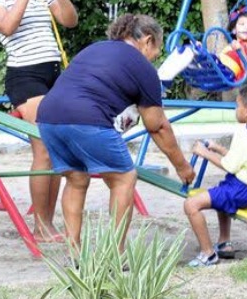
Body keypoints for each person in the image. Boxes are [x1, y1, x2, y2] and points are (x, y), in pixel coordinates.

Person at [37, 14, 196, 247]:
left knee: (76, 179)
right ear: (148, 40)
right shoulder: (143, 67)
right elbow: (158, 126)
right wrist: (182, 166)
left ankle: (74, 251)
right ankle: (115, 253)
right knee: (124, 178)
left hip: (48, 117)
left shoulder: (94, 49)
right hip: (86, 117)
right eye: (157, 50)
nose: (155, 56)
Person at [0, 0, 78, 242]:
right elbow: (7, 26)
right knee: (44, 149)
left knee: (58, 150)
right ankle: (40, 224)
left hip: (54, 74)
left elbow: (69, 21)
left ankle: (47, 221)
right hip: (25, 76)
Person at [184, 84, 247, 267]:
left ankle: (208, 254)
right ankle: (224, 242)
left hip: (241, 189)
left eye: (237, 105)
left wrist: (204, 152)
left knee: (191, 205)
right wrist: (217, 148)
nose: (235, 109)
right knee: (221, 191)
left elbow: (229, 166)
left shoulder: (244, 133)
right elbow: (241, 160)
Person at [217, 9, 247, 81]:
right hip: (220, 69)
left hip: (232, 76)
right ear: (234, 30)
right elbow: (220, 58)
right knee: (209, 58)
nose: (246, 27)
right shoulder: (232, 45)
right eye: (242, 24)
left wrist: (240, 50)